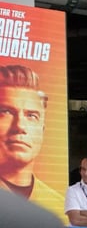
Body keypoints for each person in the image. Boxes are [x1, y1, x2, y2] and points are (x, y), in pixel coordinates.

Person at [0, 64, 62, 217]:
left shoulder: (59, 207)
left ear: (42, 130)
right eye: (6, 112)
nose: (20, 126)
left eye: (31, 116)